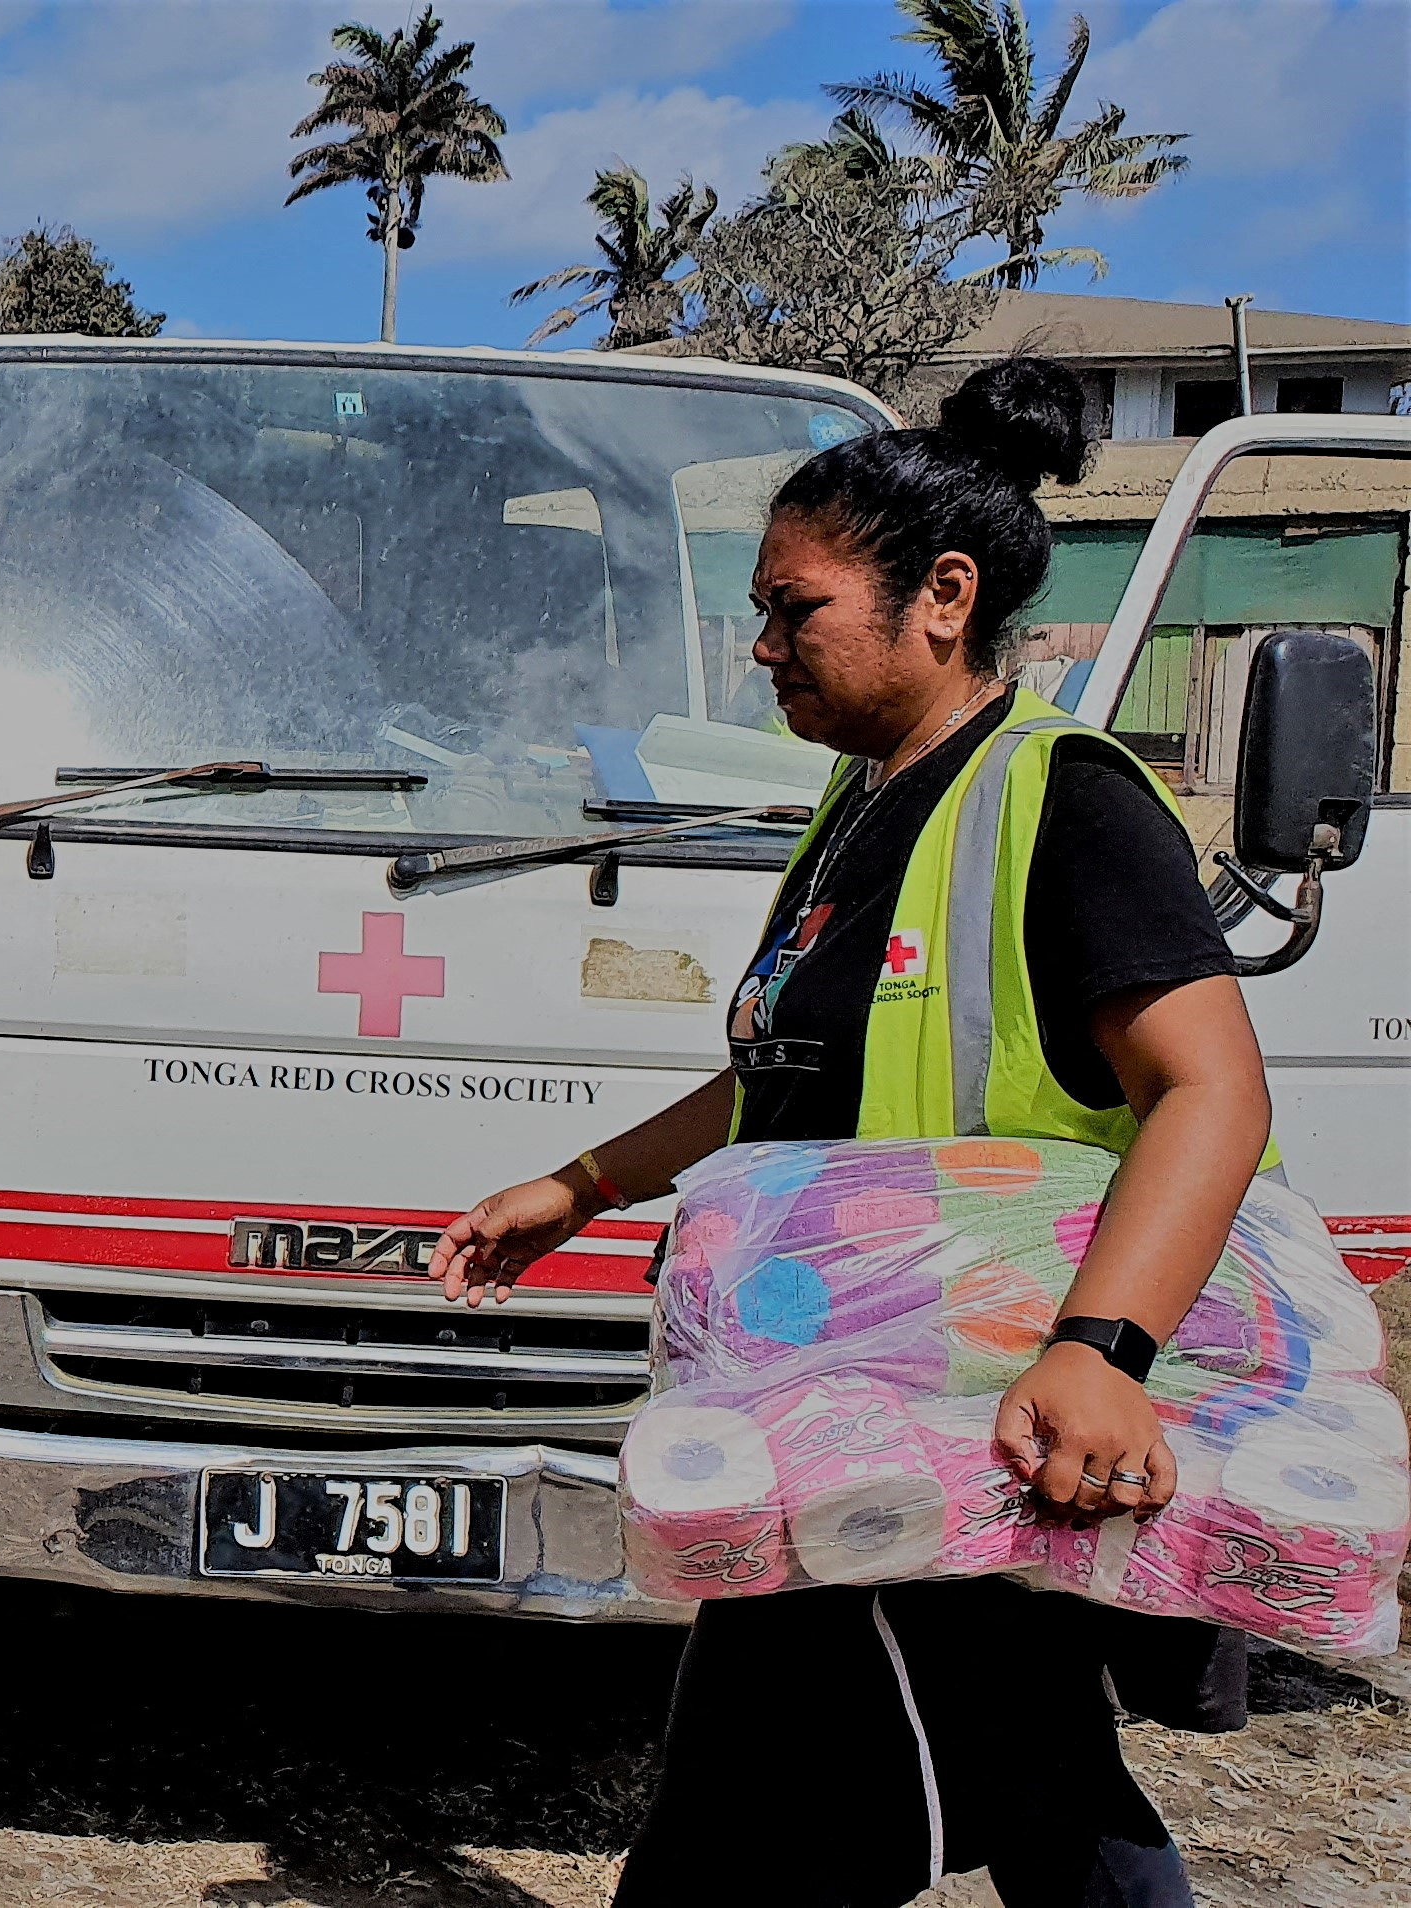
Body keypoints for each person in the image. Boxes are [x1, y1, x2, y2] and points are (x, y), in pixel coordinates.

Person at [432, 357, 1270, 1908]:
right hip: (855, 1404)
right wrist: (585, 1185)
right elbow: (783, 1076)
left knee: (842, 1804)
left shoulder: (1060, 802)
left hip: (981, 1405)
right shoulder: (868, 805)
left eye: (793, 607)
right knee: (1017, 1781)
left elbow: (1208, 1087)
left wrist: (1102, 1349)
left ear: (941, 597)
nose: (760, 647)